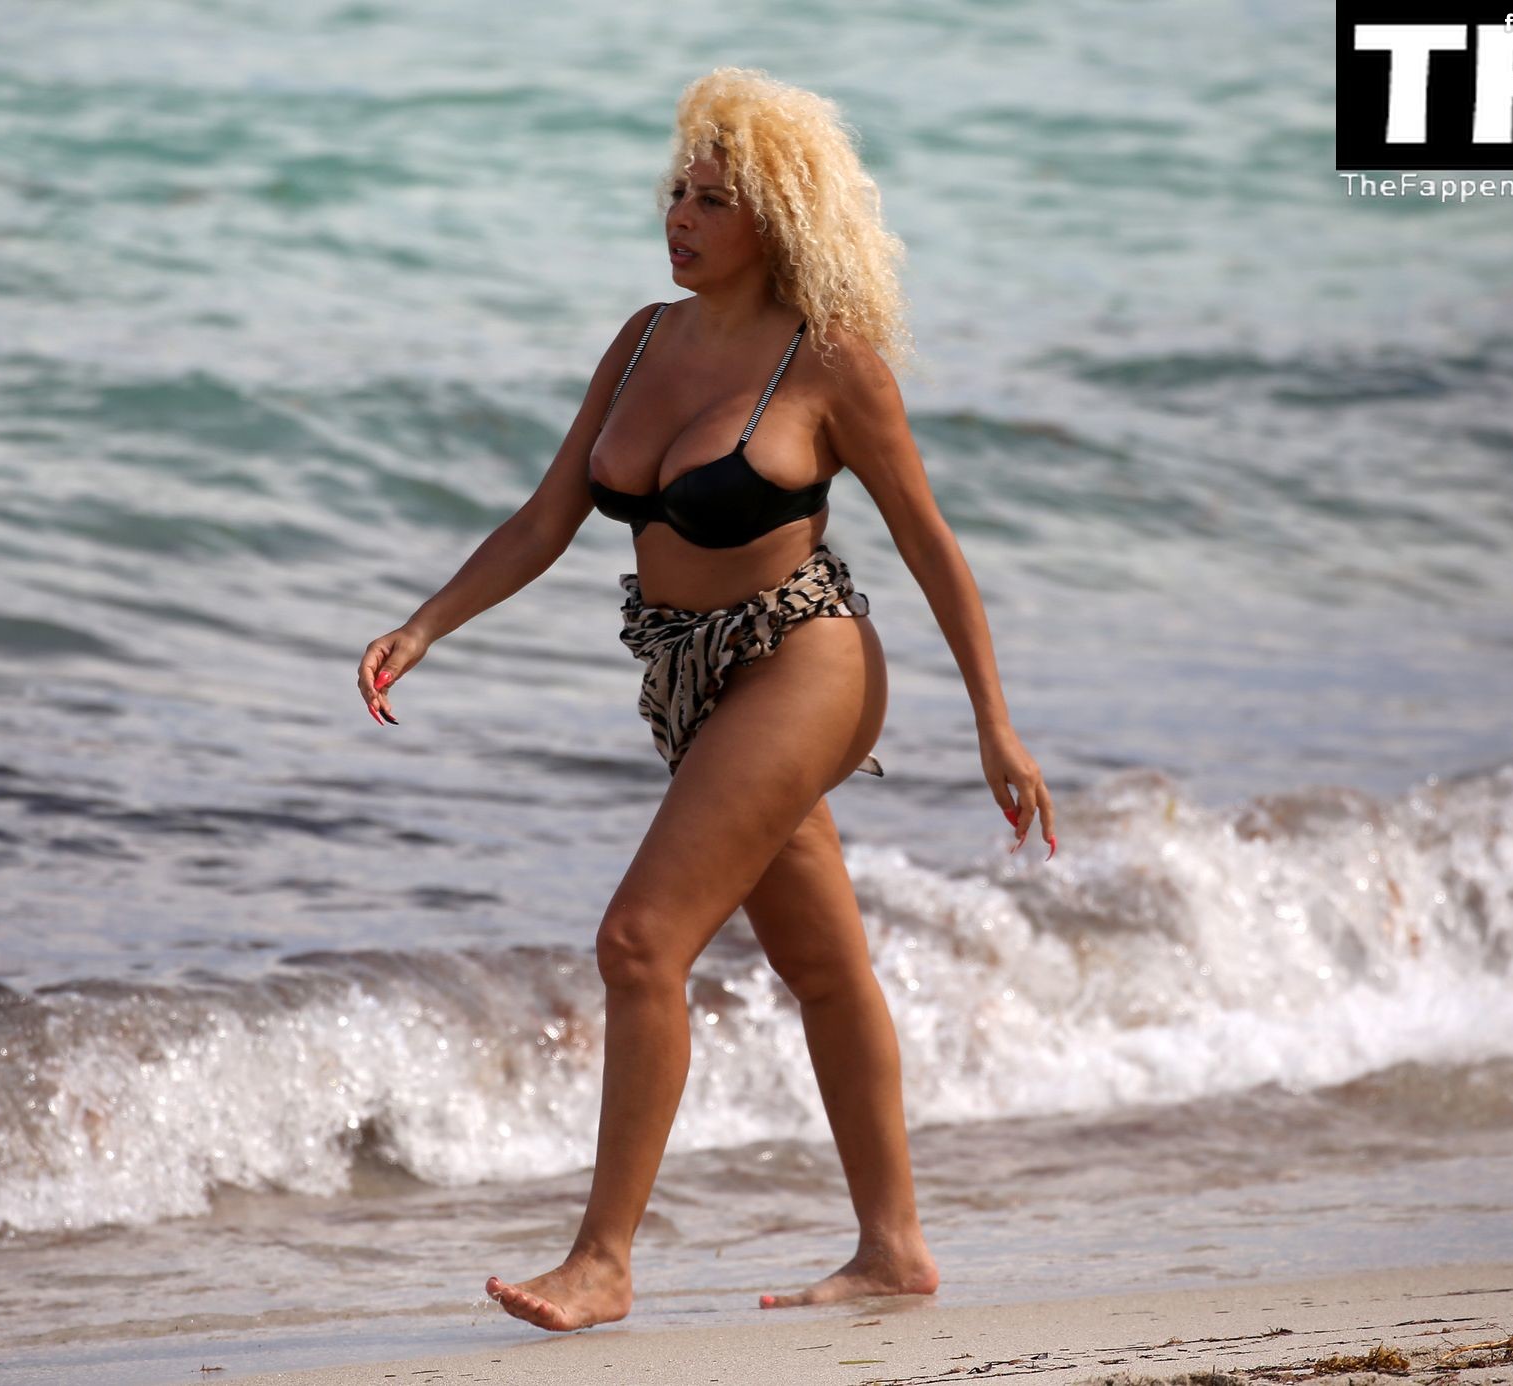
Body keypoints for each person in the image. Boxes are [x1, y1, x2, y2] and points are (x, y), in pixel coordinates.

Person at [355, 66, 1056, 1334]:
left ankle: (604, 1261)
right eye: (678, 192)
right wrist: (424, 625)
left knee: (639, 941)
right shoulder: (642, 341)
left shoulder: (830, 362)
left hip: (807, 661)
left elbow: (933, 548)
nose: (680, 216)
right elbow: (547, 516)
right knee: (822, 967)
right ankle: (895, 1248)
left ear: (777, 218)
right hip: (688, 681)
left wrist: (994, 726)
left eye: (713, 200)